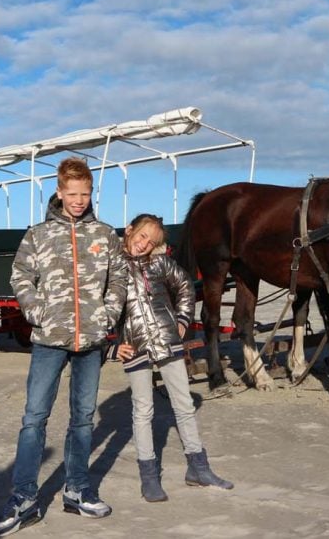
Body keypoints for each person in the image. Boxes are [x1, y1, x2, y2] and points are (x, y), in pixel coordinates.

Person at [0, 157, 127, 537]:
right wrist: (37, 312)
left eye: (85, 194)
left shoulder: (105, 234)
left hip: (91, 341)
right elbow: (21, 276)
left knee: (82, 420)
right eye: (72, 193)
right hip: (50, 339)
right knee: (34, 419)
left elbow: (119, 279)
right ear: (59, 192)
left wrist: (108, 314)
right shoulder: (38, 234)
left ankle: (77, 489)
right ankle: (24, 498)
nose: (79, 200)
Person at [113, 213, 233, 503]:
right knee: (143, 410)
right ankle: (149, 476)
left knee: (183, 404)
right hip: (135, 345)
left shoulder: (160, 263)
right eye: (141, 236)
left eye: (151, 241)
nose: (144, 244)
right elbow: (100, 308)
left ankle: (198, 468)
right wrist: (113, 345)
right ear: (129, 231)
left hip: (168, 341)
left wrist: (181, 319)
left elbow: (184, 286)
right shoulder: (111, 266)